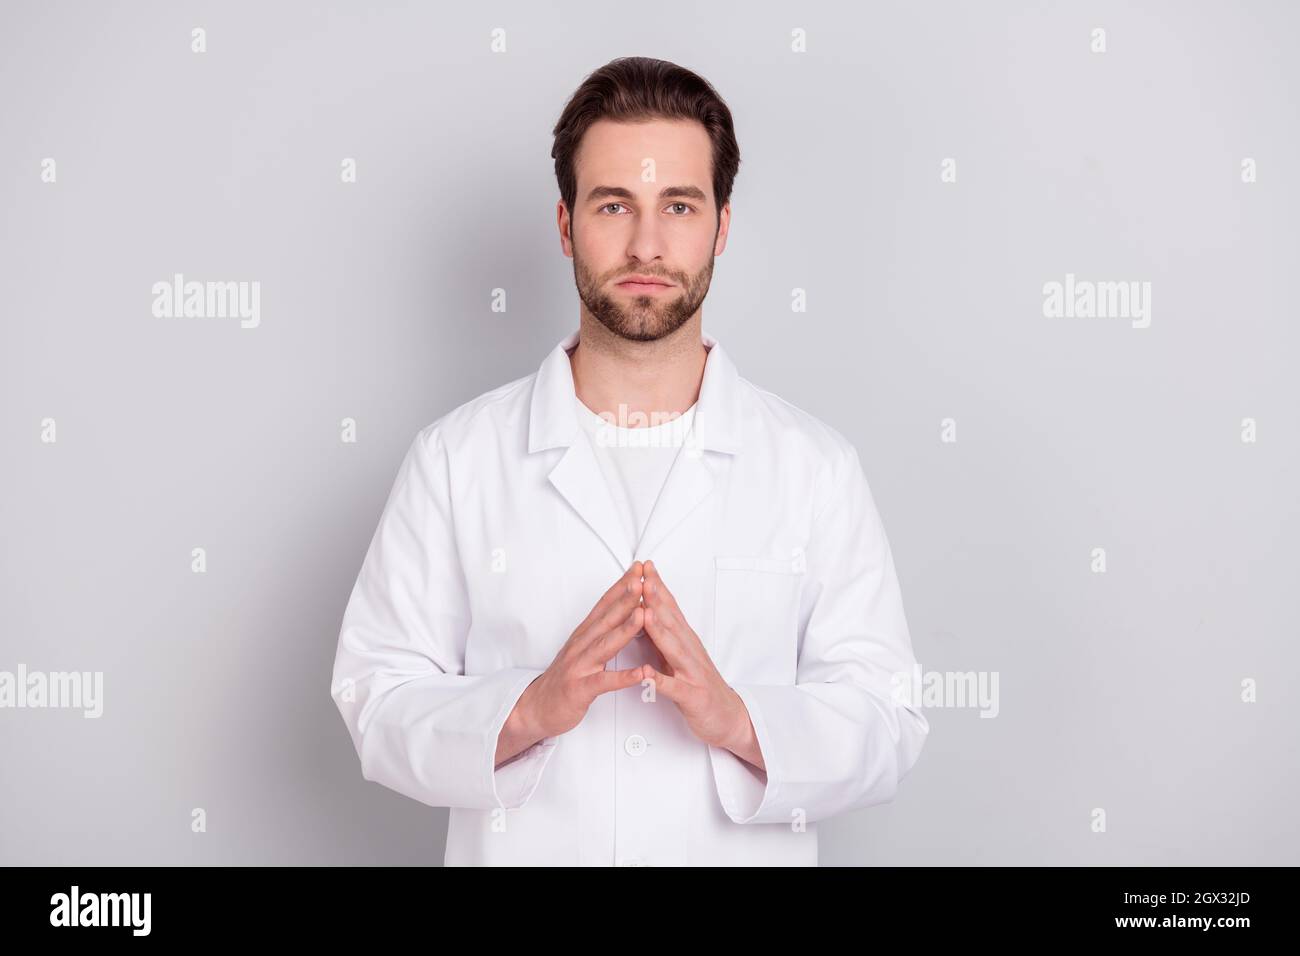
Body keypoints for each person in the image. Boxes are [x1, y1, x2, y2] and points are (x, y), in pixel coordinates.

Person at [330, 56, 928, 866]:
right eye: (614, 204)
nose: (647, 242)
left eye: (678, 205)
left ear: (721, 225)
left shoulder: (814, 469)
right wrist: (528, 709)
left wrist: (739, 719)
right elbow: (374, 697)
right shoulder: (456, 460)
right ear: (566, 223)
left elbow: (889, 719)